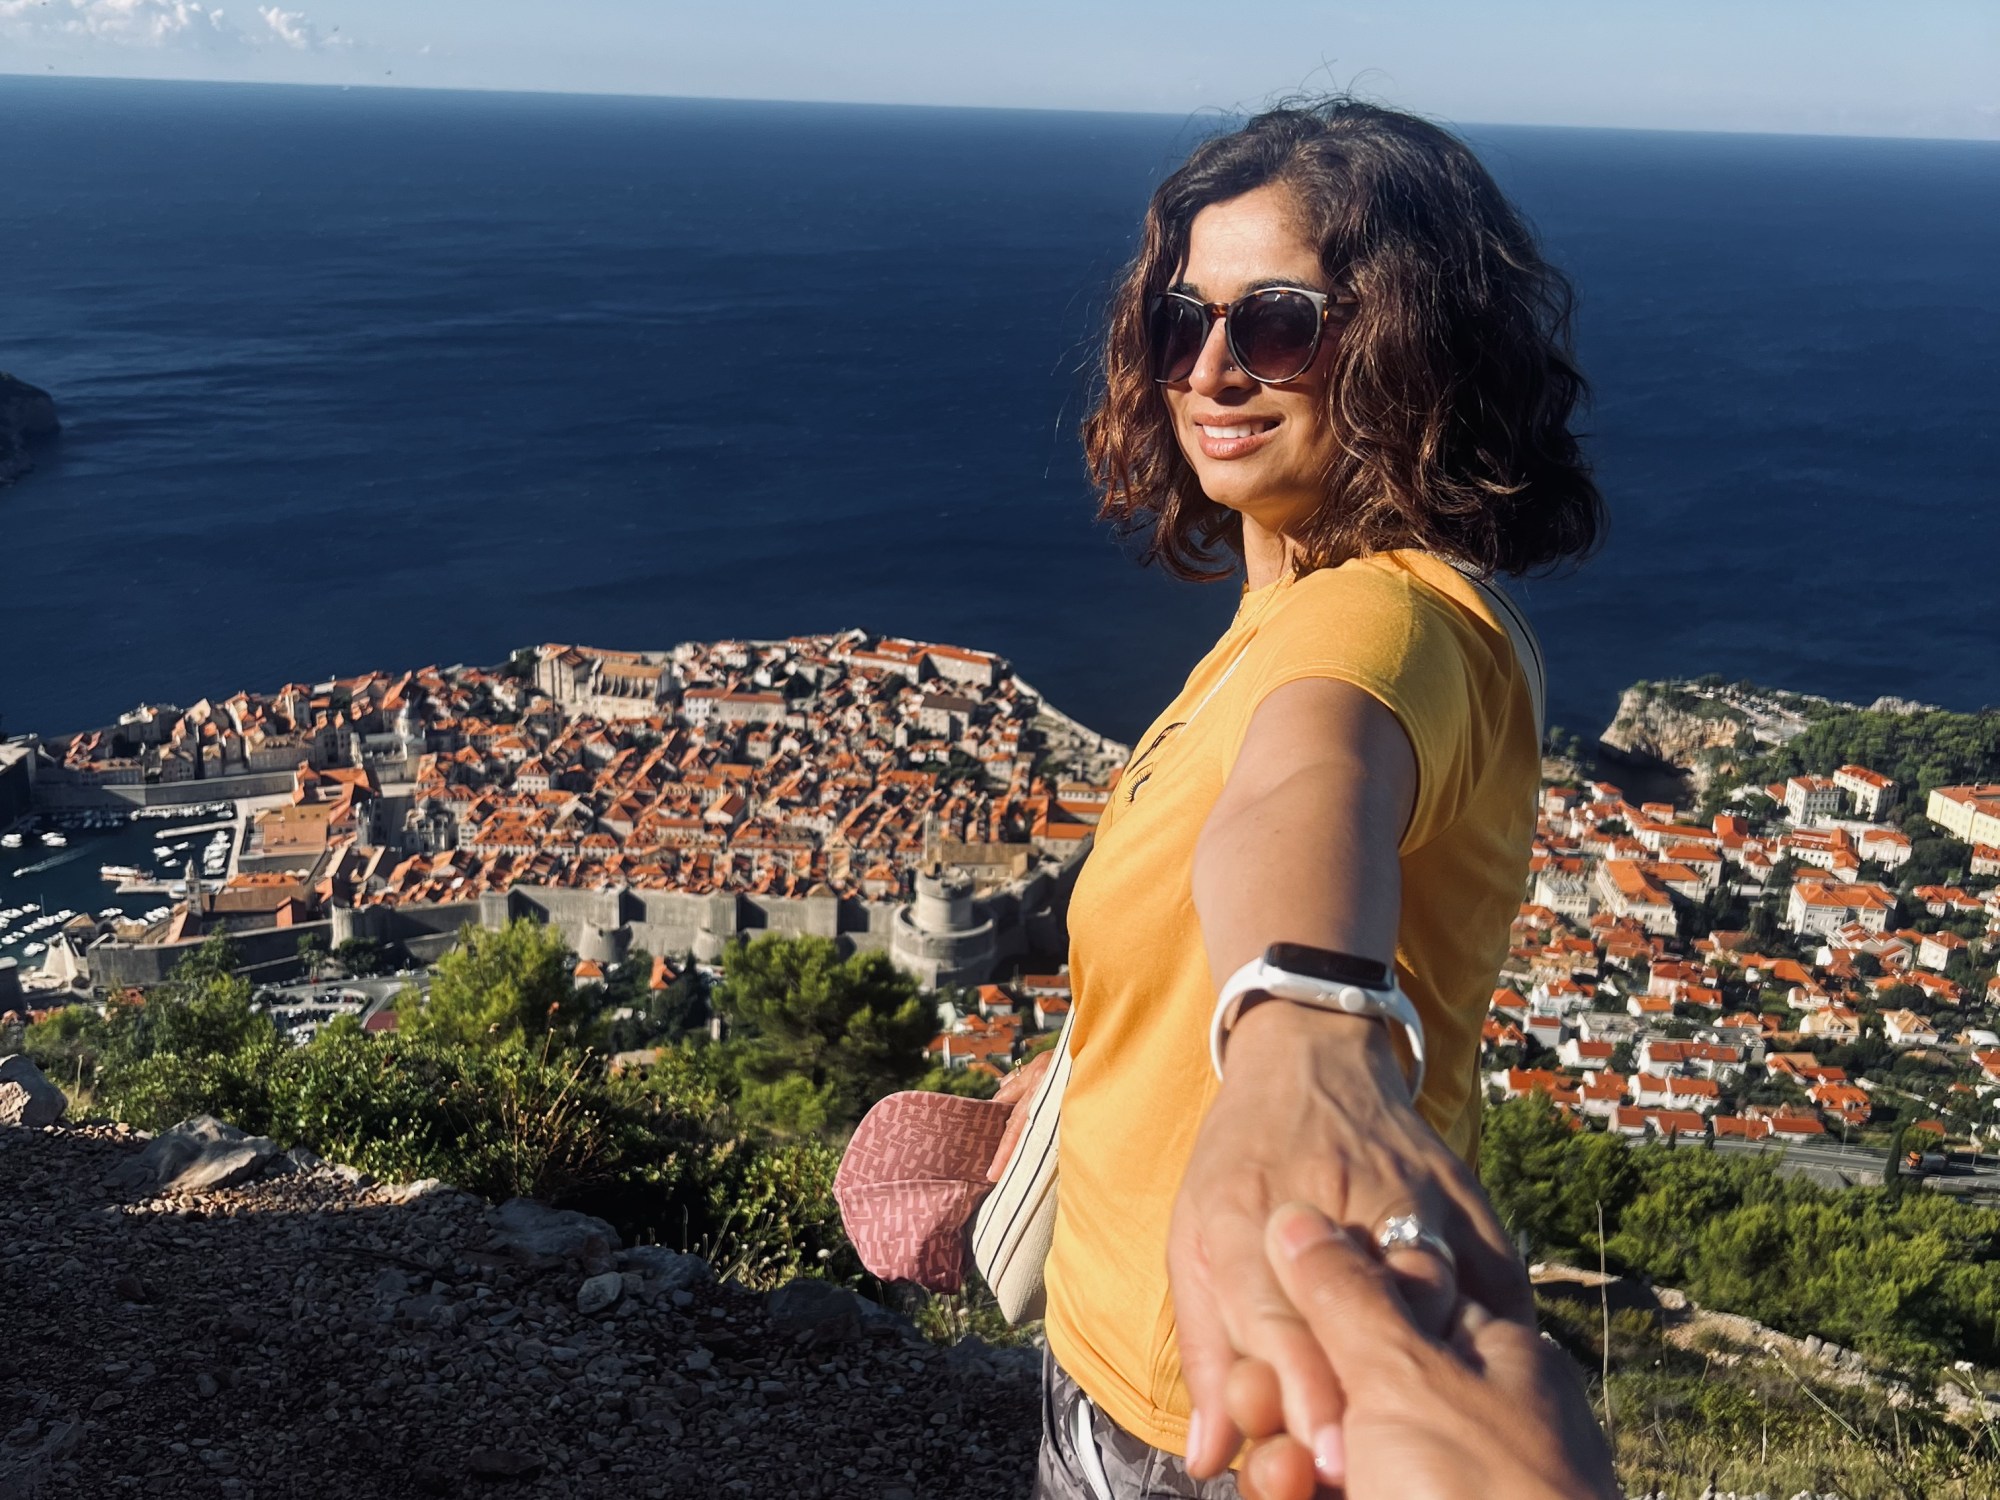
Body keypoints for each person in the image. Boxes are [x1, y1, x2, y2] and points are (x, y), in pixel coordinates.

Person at [1034, 98, 1605, 1499]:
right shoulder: (1274, 617)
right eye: (1181, 320)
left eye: (1278, 323)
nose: (1211, 369)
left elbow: (1314, 778)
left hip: (1233, 1413)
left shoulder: (1388, 623)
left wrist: (1307, 1028)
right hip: (1116, 1356)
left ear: (1411, 345)